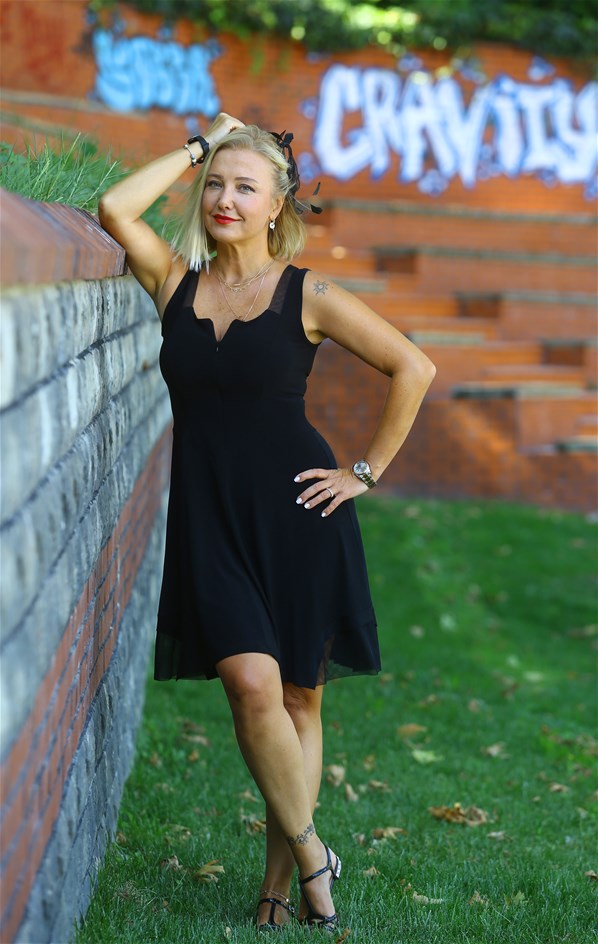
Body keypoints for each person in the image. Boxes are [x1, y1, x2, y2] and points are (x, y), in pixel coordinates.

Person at [98, 111, 435, 934]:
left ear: (276, 206)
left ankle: (279, 886)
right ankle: (316, 852)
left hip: (299, 515)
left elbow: (413, 366)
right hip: (208, 520)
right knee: (252, 688)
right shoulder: (174, 282)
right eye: (215, 184)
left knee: (299, 701)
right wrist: (200, 144)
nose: (224, 198)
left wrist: (364, 472)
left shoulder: (306, 294)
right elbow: (115, 209)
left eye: (244, 187)